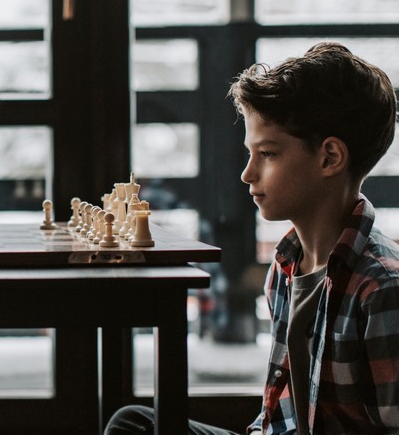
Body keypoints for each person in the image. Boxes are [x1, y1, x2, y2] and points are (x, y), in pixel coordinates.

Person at [105, 42, 399, 434]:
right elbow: (278, 412)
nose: (247, 174)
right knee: (134, 423)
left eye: (268, 154)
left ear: (330, 157)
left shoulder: (383, 288)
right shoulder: (286, 265)